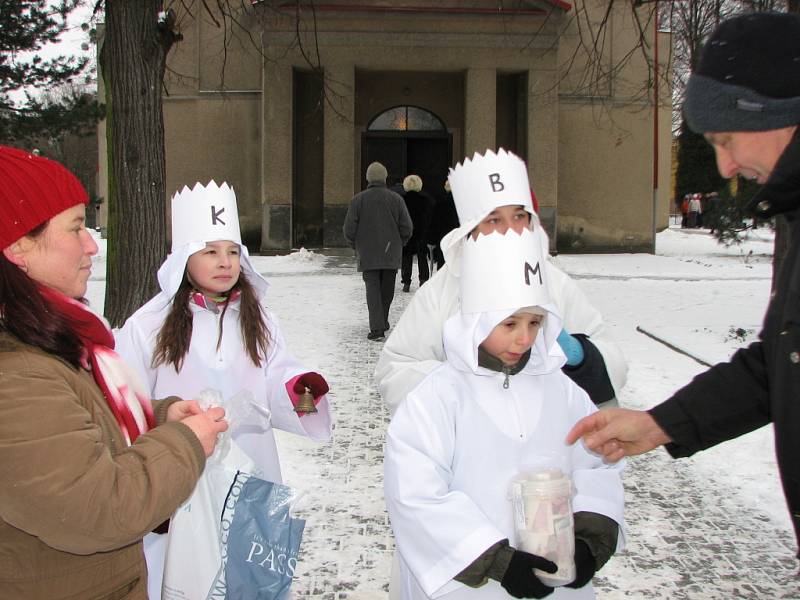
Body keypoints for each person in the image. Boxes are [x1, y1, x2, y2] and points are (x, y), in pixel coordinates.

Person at [567, 11, 800, 560]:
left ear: (776, 112)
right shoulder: (793, 213)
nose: (723, 167)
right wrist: (660, 424)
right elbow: (779, 362)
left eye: (725, 139)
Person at [0, 146, 228, 598]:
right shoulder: (17, 373)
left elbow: (74, 422)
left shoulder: (54, 336)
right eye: (76, 227)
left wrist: (159, 416)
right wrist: (185, 443)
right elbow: (97, 508)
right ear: (19, 245)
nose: (91, 245)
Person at [116, 180, 333, 599]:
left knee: (249, 578)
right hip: (182, 475)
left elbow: (275, 375)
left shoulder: (258, 318)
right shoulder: (149, 325)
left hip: (251, 467)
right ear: (183, 259)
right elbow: (129, 400)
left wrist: (299, 392)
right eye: (210, 251)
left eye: (233, 251)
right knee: (186, 574)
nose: (225, 261)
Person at [384, 223, 625, 600]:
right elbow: (416, 493)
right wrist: (496, 561)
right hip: (469, 584)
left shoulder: (562, 390)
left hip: (555, 577)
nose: (524, 338)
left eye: (535, 322)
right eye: (509, 323)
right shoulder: (438, 397)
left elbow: (596, 463)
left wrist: (589, 537)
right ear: (476, 318)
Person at [375, 148, 627, 415]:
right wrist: (461, 384)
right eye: (494, 219)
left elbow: (615, 365)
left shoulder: (556, 285)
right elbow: (395, 370)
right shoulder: (442, 290)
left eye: (519, 216)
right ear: (471, 226)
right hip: (468, 445)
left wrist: (580, 357)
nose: (509, 229)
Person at [343, 161, 413, 341]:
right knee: (387, 289)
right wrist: (399, 242)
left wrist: (356, 245)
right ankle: (382, 322)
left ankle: (377, 328)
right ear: (385, 178)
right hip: (391, 251)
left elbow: (349, 228)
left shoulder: (358, 200)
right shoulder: (396, 199)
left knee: (372, 289)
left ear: (368, 178)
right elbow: (407, 227)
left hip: (367, 253)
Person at [400, 174, 434, 292]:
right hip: (422, 232)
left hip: (407, 232)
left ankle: (406, 281)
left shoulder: (402, 200)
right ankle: (423, 279)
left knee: (406, 257)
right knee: (422, 256)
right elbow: (430, 217)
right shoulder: (426, 200)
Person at [426, 179, 460, 271]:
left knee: (442, 263)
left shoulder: (440, 201)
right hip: (458, 236)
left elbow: (435, 222)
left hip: (443, 236)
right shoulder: (462, 202)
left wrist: (431, 239)